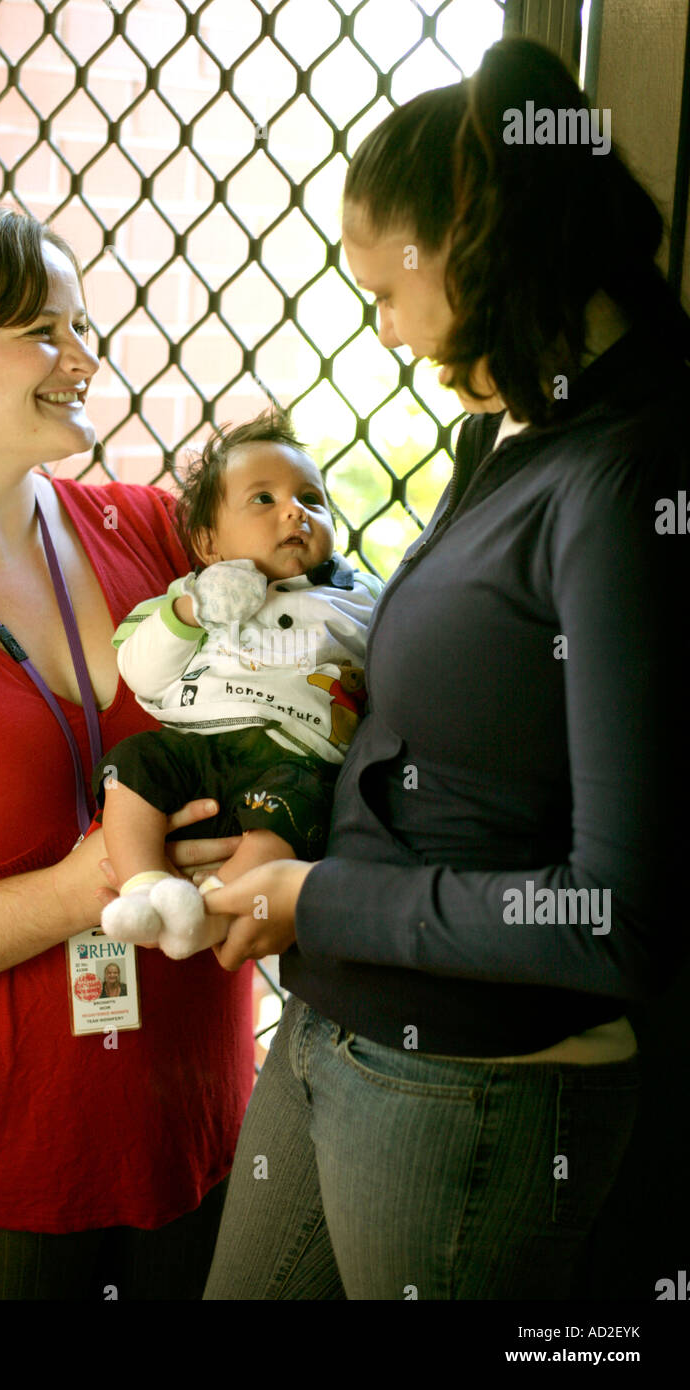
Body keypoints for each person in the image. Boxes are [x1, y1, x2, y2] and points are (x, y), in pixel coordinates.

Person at [200, 36, 690, 1299]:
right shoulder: (518, 433)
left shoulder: (629, 478)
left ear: (476, 254)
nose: (381, 328)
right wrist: (276, 835)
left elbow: (613, 916)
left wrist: (316, 898)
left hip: (473, 1095)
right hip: (339, 1035)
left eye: (385, 288)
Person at [0, 200, 255, 1300]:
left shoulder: (158, 534)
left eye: (81, 325)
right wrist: (81, 889)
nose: (85, 356)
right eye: (44, 329)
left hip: (201, 1134)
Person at [94, 409, 380, 960]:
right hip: (196, 744)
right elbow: (140, 671)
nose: (295, 511)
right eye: (263, 500)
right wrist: (190, 610)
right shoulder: (192, 594)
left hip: (295, 757)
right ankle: (145, 889)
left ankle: (209, 914)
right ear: (208, 543)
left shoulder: (359, 596)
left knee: (287, 820)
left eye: (312, 500)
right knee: (130, 766)